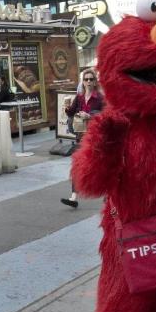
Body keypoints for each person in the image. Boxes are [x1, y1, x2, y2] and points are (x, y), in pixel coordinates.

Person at [61, 69, 104, 208]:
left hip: (94, 137)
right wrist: (67, 108)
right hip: (81, 135)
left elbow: (107, 116)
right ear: (83, 82)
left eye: (91, 79)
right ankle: (73, 197)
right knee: (77, 164)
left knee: (99, 166)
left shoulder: (100, 99)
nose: (89, 82)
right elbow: (71, 113)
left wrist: (90, 116)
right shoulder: (79, 97)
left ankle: (109, 195)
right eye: (86, 79)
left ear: (95, 81)